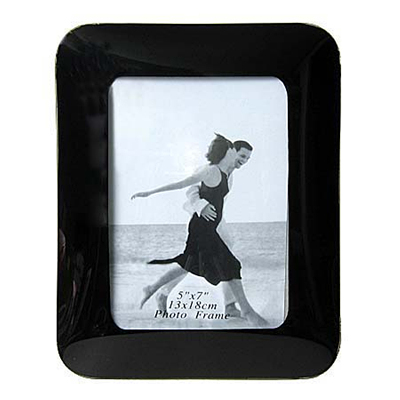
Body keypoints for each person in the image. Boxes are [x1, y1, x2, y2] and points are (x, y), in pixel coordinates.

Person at [132, 134, 266, 326]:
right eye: (242, 156)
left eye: (248, 159)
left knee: (200, 260)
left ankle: (227, 305)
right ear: (231, 152)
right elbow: (190, 189)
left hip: (215, 221)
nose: (244, 161)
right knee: (208, 260)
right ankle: (231, 306)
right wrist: (200, 205)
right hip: (201, 217)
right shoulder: (210, 169)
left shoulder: (230, 174)